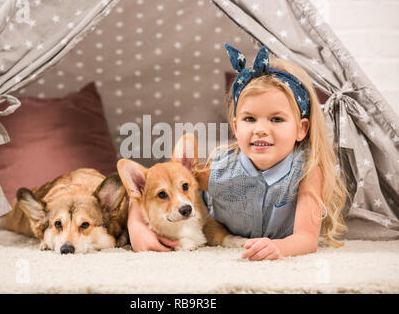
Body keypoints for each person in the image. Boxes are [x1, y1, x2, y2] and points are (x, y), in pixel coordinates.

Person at [127, 43, 347, 260]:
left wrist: (281, 247)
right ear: (235, 125)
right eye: (249, 119)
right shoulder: (221, 170)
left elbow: (306, 237)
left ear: (301, 129)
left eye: (276, 119)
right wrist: (136, 226)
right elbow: (152, 187)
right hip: (222, 235)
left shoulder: (306, 170)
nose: (260, 130)